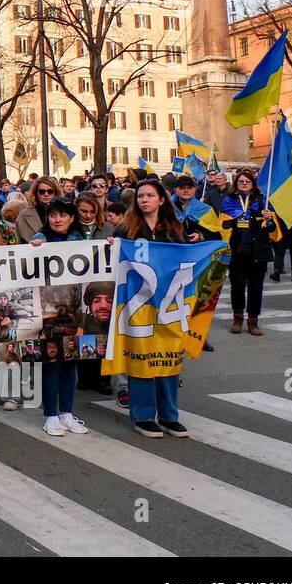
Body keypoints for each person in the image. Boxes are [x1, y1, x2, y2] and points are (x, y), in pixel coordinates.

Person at [114, 179, 189, 438]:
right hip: (138, 305)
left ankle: (170, 416)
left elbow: (185, 260)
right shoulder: (126, 229)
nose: (144, 200)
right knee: (142, 359)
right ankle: (144, 416)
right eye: (140, 196)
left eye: (149, 195)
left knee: (169, 358)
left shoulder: (174, 228)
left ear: (161, 200)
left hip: (168, 304)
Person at [221, 168, 275, 337]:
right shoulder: (229, 200)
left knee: (255, 287)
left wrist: (268, 218)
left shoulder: (262, 201)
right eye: (240, 181)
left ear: (253, 184)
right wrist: (238, 218)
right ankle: (237, 319)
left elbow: (273, 229)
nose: (244, 184)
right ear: (236, 184)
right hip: (237, 249)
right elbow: (222, 224)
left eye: (247, 181)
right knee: (237, 286)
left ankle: (253, 321)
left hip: (257, 250)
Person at [15, 176, 59, 243]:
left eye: (50, 191)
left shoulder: (66, 213)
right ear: (35, 193)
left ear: (55, 193)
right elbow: (17, 242)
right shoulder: (24, 215)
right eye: (42, 191)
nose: (46, 194)